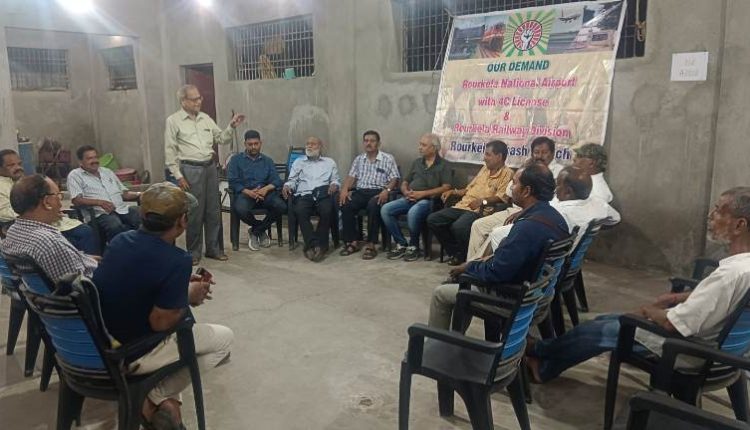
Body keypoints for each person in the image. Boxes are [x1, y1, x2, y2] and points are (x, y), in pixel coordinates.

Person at [526, 187, 750, 383]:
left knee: (601, 330)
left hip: (688, 350)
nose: (711, 216)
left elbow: (673, 324)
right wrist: (678, 297)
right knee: (604, 320)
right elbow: (716, 299)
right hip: (709, 346)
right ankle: (543, 358)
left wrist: (647, 311)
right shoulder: (743, 268)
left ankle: (540, 358)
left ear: (739, 225)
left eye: (719, 210)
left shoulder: (730, 275)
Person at [94, 182, 233, 429]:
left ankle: (164, 402)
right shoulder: (177, 260)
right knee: (223, 340)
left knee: (194, 336)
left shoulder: (120, 240)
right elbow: (161, 322)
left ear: (143, 214)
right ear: (182, 221)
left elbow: (136, 280)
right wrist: (187, 296)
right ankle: (153, 396)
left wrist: (178, 287)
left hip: (109, 338)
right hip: (135, 350)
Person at [428, 163, 569, 330]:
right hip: (537, 294)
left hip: (514, 298)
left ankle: (439, 342)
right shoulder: (556, 218)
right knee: (465, 280)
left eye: (514, 183)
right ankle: (455, 337)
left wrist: (469, 267)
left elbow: (496, 273)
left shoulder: (527, 228)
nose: (511, 187)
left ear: (526, 191)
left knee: (442, 293)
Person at [165, 84, 246, 265]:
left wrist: (231, 126)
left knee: (213, 211)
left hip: (210, 168)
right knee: (194, 212)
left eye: (199, 98)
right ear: (183, 101)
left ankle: (214, 249)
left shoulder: (205, 119)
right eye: (194, 99)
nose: (199, 102)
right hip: (190, 169)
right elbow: (170, 151)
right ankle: (193, 252)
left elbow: (222, 139)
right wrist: (178, 176)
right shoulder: (173, 121)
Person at [483, 165, 621, 257]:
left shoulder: (558, 214)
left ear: (568, 192)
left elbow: (501, 235)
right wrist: (592, 229)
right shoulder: (598, 204)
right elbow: (615, 219)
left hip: (535, 267)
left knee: (495, 234)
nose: (555, 189)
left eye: (558, 184)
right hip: (565, 257)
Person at [466, 136, 565, 261]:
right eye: (536, 152)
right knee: (478, 225)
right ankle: (471, 263)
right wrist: (524, 168)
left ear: (552, 154)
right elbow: (509, 191)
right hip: (513, 210)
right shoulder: (529, 167)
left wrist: (525, 212)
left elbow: (552, 203)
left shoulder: (559, 173)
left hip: (533, 215)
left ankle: (474, 267)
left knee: (496, 233)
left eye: (544, 152)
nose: (540, 156)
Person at [427, 140, 514, 265]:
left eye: (488, 154)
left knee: (459, 227)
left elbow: (502, 197)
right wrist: (453, 191)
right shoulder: (484, 169)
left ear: (499, 156)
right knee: (433, 219)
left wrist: (483, 201)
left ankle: (463, 256)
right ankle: (457, 252)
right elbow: (468, 189)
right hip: (463, 205)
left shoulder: (507, 173)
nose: (484, 158)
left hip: (479, 209)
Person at [1, 174, 98, 281]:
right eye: (58, 196)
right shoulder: (47, 241)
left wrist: (84, 259)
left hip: (38, 289)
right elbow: (78, 281)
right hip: (88, 286)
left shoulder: (12, 231)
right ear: (46, 202)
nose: (60, 204)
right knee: (115, 246)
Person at [0, 150, 97, 254]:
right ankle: (85, 262)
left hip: (48, 219)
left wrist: (52, 209)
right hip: (28, 227)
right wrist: (37, 213)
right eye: (11, 165)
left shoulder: (24, 182)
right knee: (83, 232)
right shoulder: (2, 186)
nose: (18, 168)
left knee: (84, 229)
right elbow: (4, 213)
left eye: (19, 164)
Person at [381, 133, 451, 261]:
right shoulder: (417, 162)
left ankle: (414, 245)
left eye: (423, 145)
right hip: (410, 197)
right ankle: (401, 243)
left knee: (413, 212)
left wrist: (422, 194)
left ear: (433, 148)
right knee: (386, 209)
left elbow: (446, 187)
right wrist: (405, 191)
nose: (420, 147)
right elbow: (405, 181)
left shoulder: (444, 165)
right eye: (420, 144)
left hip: (429, 201)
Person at [339, 130, 400, 260]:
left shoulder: (388, 158)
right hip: (361, 191)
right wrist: (344, 189)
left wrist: (387, 190)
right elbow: (351, 177)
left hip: (378, 192)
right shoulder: (359, 159)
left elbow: (394, 178)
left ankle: (371, 244)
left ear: (378, 143)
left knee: (373, 205)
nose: (368, 143)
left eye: (372, 141)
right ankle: (352, 241)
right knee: (346, 203)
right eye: (366, 141)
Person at [282, 137, 340, 262]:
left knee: (327, 210)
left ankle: (318, 245)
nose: (309, 146)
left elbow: (335, 179)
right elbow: (292, 180)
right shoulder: (298, 162)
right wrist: (287, 186)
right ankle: (314, 244)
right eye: (307, 144)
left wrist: (334, 185)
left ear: (320, 146)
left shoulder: (329, 162)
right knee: (300, 210)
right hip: (305, 194)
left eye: (313, 144)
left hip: (323, 194)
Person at [67, 145, 142, 242]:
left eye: (96, 157)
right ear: (80, 162)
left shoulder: (107, 172)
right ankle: (117, 249)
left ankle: (143, 246)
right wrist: (99, 202)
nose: (94, 161)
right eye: (90, 158)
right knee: (114, 224)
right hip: (99, 214)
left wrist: (140, 194)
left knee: (142, 215)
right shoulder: (75, 175)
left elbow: (124, 193)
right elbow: (76, 200)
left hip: (121, 209)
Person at [227, 129, 286, 251]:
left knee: (281, 206)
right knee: (240, 208)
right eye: (250, 144)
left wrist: (266, 189)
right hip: (245, 194)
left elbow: (277, 180)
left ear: (260, 143)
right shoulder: (236, 160)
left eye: (256, 144)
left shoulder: (267, 161)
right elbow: (233, 181)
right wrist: (248, 192)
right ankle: (259, 228)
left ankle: (256, 231)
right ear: (245, 144)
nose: (253, 147)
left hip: (264, 194)